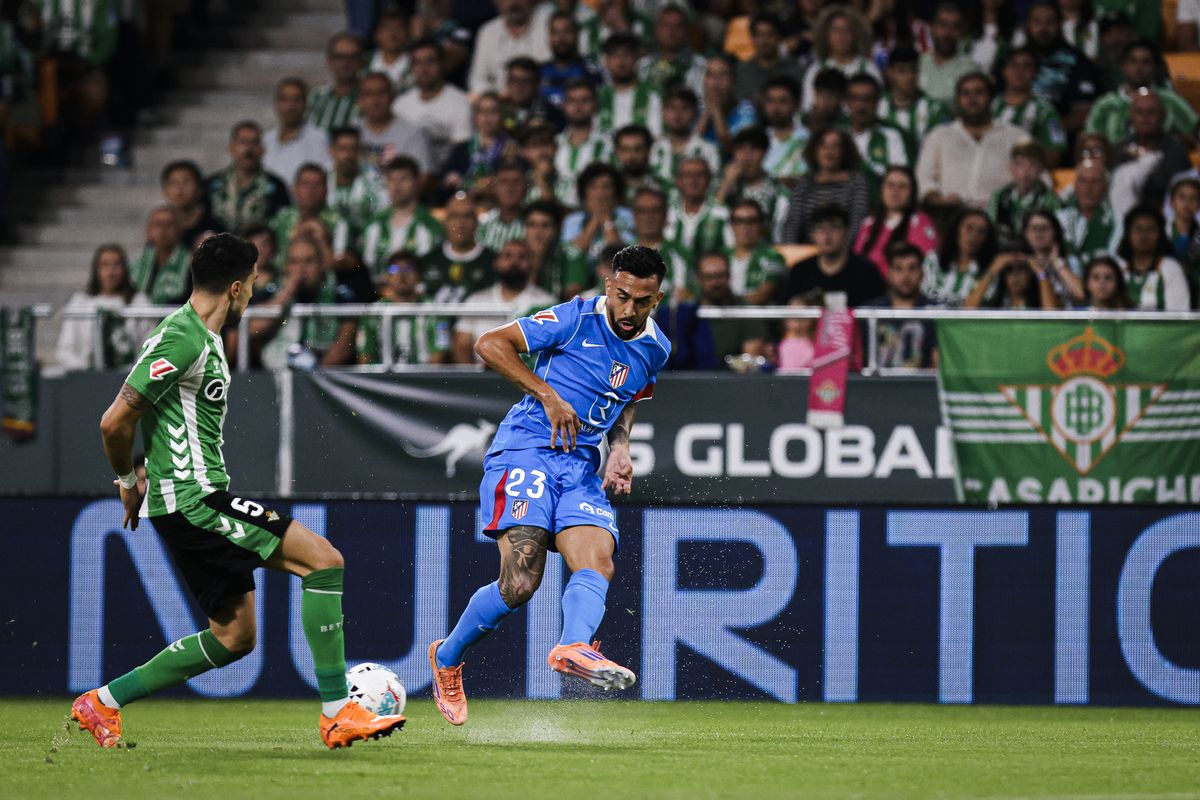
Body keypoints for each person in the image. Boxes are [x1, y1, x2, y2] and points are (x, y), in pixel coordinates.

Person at [72, 233, 404, 751]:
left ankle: (102, 703)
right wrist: (125, 480)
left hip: (185, 501)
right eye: (252, 282)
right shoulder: (182, 338)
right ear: (234, 287)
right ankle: (339, 712)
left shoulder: (194, 338)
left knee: (235, 638)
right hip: (195, 500)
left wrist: (140, 479)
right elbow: (114, 421)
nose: (254, 291)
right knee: (324, 561)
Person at [428, 245, 670, 726]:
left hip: (580, 464)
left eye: (641, 301)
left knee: (599, 560)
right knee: (520, 581)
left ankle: (574, 646)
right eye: (622, 296)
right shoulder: (574, 318)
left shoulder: (656, 348)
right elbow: (490, 343)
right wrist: (549, 395)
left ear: (656, 299)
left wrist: (620, 447)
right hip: (527, 448)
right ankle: (447, 657)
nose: (629, 310)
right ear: (609, 286)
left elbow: (628, 398)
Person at [916, 72, 1027, 214]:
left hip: (1001, 217)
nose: (972, 99)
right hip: (950, 216)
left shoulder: (1016, 137)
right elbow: (924, 180)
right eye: (965, 94)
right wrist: (939, 200)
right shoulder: (938, 136)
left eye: (979, 93)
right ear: (957, 100)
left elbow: (1040, 178)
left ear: (991, 98)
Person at [450, 239, 557, 363]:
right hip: (481, 377)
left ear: (531, 264)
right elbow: (461, 345)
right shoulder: (476, 300)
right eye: (508, 256)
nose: (514, 262)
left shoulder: (546, 303)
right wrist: (472, 378)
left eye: (521, 257)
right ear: (496, 263)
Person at [1085, 40, 1200, 148]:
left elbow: (1195, 131)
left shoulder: (1170, 100)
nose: (1139, 68)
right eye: (1133, 61)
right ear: (1123, 66)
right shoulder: (1104, 105)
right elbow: (1089, 141)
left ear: (1155, 67)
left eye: (1146, 62)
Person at [57, 245, 147, 371]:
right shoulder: (80, 302)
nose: (111, 271)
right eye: (105, 265)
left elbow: (149, 346)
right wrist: (87, 369)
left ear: (125, 269)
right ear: (96, 269)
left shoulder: (139, 301)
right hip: (86, 377)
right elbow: (65, 350)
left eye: (116, 265)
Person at [392, 39, 472, 174]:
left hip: (445, 176)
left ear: (442, 64)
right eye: (418, 62)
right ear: (411, 67)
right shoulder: (400, 104)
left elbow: (461, 150)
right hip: (406, 177)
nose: (424, 68)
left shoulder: (461, 102)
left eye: (430, 61)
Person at [358, 250, 451, 366]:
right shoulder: (373, 312)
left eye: (408, 269)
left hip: (422, 379)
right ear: (387, 277)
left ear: (419, 276)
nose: (401, 275)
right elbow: (365, 357)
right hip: (383, 380)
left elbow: (439, 354)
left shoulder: (434, 310)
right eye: (394, 269)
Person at [1109, 90, 1192, 219]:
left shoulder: (1176, 151)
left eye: (1151, 112)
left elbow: (1179, 193)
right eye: (1139, 112)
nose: (1145, 118)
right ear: (1131, 115)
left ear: (1163, 115)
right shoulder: (1120, 149)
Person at [1019, 1, 1101, 131]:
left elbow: (1082, 113)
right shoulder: (1013, 61)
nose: (1043, 28)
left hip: (1061, 138)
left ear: (1060, 25)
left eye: (1050, 22)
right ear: (1027, 25)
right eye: (1037, 22)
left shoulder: (1077, 62)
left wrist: (1048, 135)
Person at [785, 204, 886, 307]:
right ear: (812, 235)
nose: (827, 235)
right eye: (820, 228)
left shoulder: (866, 272)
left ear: (846, 231)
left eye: (834, 227)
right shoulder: (799, 272)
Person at [783, 128, 869, 244]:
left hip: (844, 253)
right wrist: (792, 253)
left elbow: (857, 222)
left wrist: (840, 253)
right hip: (807, 253)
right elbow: (793, 224)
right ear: (814, 150)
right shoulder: (804, 184)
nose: (829, 151)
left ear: (845, 151)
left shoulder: (856, 182)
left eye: (836, 146)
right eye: (823, 145)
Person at [362, 156, 445, 274]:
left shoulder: (431, 225)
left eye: (403, 179)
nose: (396, 185)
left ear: (417, 182)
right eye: (391, 179)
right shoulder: (373, 224)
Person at [205, 121, 291, 234]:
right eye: (243, 142)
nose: (248, 149)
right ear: (231, 148)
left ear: (262, 149)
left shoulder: (276, 187)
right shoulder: (212, 185)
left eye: (254, 143)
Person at [862, 242, 937, 369]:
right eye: (898, 268)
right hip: (876, 387)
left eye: (912, 268)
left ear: (922, 274)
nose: (905, 276)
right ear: (889, 274)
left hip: (921, 387)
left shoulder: (935, 313)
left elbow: (939, 365)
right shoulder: (869, 312)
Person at [853, 166, 939, 277]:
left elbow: (927, 269)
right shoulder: (869, 223)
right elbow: (856, 261)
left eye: (902, 186)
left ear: (912, 192)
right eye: (890, 185)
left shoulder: (921, 223)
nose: (895, 191)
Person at [991, 47, 1067, 167]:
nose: (1019, 72)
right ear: (1003, 71)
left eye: (1026, 66)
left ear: (1035, 73)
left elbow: (1055, 152)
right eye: (1013, 65)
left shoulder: (1048, 112)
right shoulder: (990, 107)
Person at [693, 251, 769, 366]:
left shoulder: (745, 312)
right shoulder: (687, 313)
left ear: (729, 276)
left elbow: (750, 361)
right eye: (709, 277)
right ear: (699, 279)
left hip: (733, 379)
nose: (715, 283)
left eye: (720, 276)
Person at [878, 44, 952, 162]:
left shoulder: (935, 109)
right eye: (901, 71)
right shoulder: (877, 106)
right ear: (889, 73)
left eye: (913, 70)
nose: (909, 77)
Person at [267, 164, 351, 268]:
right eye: (305, 184)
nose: (311, 190)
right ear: (294, 189)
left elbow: (340, 264)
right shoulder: (279, 221)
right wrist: (294, 238)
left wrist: (322, 240)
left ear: (326, 190)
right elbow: (269, 262)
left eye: (317, 184)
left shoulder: (339, 222)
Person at [715, 128, 790, 243]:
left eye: (754, 149)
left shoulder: (779, 191)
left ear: (765, 153)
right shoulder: (724, 185)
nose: (747, 156)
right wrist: (726, 184)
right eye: (741, 149)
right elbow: (710, 219)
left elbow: (779, 234)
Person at [801, 5, 881, 112]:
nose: (841, 36)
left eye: (846, 30)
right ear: (826, 35)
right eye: (835, 30)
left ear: (855, 35)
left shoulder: (869, 69)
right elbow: (808, 107)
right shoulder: (816, 70)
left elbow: (878, 107)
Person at [843, 74, 909, 202]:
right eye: (855, 98)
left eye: (867, 99)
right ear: (847, 102)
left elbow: (900, 179)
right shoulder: (836, 135)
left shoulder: (891, 136)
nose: (861, 105)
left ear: (877, 102)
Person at [423, 193, 496, 304]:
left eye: (467, 216)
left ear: (476, 221)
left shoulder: (493, 261)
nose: (461, 223)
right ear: (445, 221)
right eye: (454, 216)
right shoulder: (428, 261)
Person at [1117, 205, 1192, 311]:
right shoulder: (1117, 267)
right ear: (1128, 234)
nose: (1144, 235)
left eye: (1150, 229)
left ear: (1160, 235)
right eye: (1138, 229)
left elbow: (1179, 316)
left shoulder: (1171, 269)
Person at [357, 72, 433, 173]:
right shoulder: (352, 131)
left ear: (392, 97)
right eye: (368, 94)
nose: (375, 100)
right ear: (360, 100)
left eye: (381, 93)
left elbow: (423, 175)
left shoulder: (412, 133)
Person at [987, 141, 1060, 247]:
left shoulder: (1051, 200)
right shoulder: (998, 196)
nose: (1025, 171)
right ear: (1011, 168)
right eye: (1020, 164)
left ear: (1041, 169)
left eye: (1032, 164)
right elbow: (990, 228)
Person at [469, 0, 552, 93]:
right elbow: (477, 79)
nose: (513, 3)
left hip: (540, 98)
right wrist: (500, 96)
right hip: (501, 101)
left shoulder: (548, 24)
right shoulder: (488, 31)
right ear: (496, 3)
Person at [553, 79, 612, 208]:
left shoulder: (609, 143)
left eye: (584, 101)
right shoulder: (554, 144)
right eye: (572, 101)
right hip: (558, 216)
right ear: (564, 105)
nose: (578, 107)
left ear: (595, 105)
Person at [921, 208, 998, 306]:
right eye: (969, 228)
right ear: (956, 229)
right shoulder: (932, 260)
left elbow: (971, 310)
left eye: (981, 232)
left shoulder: (990, 272)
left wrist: (990, 273)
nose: (974, 235)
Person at [263, 78, 332, 185]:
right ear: (276, 104)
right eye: (284, 99)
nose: (290, 106)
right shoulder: (266, 139)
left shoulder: (319, 139)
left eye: (296, 100)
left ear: (306, 105)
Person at [326, 126, 387, 247]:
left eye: (353, 149)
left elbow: (384, 217)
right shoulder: (321, 180)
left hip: (364, 248)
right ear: (332, 151)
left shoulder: (375, 182)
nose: (349, 155)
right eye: (342, 149)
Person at [648, 86, 721, 188]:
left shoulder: (709, 150)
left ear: (694, 114)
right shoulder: (652, 149)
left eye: (684, 108)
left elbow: (713, 186)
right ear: (663, 112)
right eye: (672, 108)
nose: (677, 114)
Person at [441, 92, 513, 195]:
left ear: (501, 115)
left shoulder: (510, 148)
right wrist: (451, 180)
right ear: (475, 116)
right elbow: (447, 180)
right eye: (482, 111)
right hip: (464, 201)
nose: (487, 117)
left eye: (493, 111)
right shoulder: (462, 149)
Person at [562, 162, 634, 263]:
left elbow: (621, 254)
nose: (600, 193)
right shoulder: (573, 220)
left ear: (616, 191)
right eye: (593, 187)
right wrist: (595, 220)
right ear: (584, 192)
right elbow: (572, 254)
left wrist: (607, 219)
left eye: (606, 186)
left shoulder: (628, 216)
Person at [627, 186, 691, 298]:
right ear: (634, 215)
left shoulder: (681, 254)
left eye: (655, 211)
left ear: (665, 215)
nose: (648, 217)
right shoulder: (620, 254)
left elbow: (687, 294)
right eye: (642, 211)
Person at [667, 156, 733, 260]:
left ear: (709, 180)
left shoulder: (722, 213)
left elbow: (731, 250)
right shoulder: (667, 214)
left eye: (699, 175)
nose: (693, 181)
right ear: (678, 181)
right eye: (688, 175)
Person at [1056, 159, 1122, 263]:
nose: (1088, 187)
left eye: (1095, 182)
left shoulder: (1117, 222)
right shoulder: (1059, 219)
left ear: (1105, 187)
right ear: (1075, 186)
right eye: (1083, 181)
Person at [597, 33, 663, 137]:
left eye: (626, 54)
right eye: (615, 55)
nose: (621, 61)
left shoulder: (656, 95)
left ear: (637, 58)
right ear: (606, 61)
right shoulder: (597, 97)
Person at [724, 199, 787, 304]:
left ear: (761, 225)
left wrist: (725, 303)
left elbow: (762, 296)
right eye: (739, 221)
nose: (745, 227)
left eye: (752, 221)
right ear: (732, 225)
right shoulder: (720, 256)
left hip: (758, 318)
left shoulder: (773, 257)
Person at [525, 200, 589, 300]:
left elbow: (572, 298)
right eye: (532, 225)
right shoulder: (517, 253)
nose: (538, 233)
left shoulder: (571, 254)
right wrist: (536, 264)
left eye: (545, 226)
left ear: (557, 229)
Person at [638, 5, 706, 97]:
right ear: (657, 30)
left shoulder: (701, 65)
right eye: (666, 25)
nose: (671, 31)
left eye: (678, 26)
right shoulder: (642, 65)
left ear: (686, 31)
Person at [735, 12, 803, 102]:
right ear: (752, 38)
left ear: (779, 38)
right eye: (759, 35)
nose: (763, 41)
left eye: (769, 35)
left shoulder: (794, 69)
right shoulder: (742, 71)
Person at [1021, 209, 1084, 306]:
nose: (1039, 233)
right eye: (1034, 228)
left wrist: (1057, 262)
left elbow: (1082, 294)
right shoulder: (1019, 262)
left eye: (1045, 228)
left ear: (1055, 232)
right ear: (1025, 233)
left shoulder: (1071, 262)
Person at [542, 10, 603, 110]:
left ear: (577, 35)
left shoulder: (592, 71)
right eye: (555, 32)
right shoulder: (539, 73)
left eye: (567, 31)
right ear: (549, 37)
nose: (561, 38)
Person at [919, 3, 978, 105]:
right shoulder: (918, 63)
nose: (948, 32)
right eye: (943, 25)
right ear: (931, 28)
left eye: (955, 26)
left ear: (961, 31)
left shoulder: (970, 70)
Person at [963, 248, 1060, 309]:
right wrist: (992, 271)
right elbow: (967, 311)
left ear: (1031, 273)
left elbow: (1051, 316)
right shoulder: (995, 304)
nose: (1015, 276)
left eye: (1021, 269)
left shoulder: (1039, 302)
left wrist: (1040, 272)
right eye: (1009, 270)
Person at [131, 207, 191, 305]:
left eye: (169, 225)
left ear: (179, 231)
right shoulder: (137, 263)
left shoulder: (190, 262)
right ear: (148, 231)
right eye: (157, 225)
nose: (162, 231)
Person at [697, 55, 757, 151]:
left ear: (733, 80)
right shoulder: (695, 108)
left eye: (722, 75)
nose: (716, 82)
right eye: (710, 75)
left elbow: (736, 150)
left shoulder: (746, 109)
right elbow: (688, 149)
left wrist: (716, 111)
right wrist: (706, 115)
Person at [308, 33, 364, 131]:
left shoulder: (370, 99)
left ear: (362, 61)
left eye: (352, 57)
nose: (345, 63)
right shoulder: (315, 97)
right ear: (329, 61)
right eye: (339, 57)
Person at [161, 160, 221, 249]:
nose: (180, 188)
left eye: (186, 182)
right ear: (165, 191)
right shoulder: (160, 225)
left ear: (199, 189)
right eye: (174, 182)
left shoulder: (214, 226)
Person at [761, 76, 810, 183]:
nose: (775, 107)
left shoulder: (809, 140)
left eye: (782, 101)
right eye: (770, 101)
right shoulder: (757, 141)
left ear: (797, 104)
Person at [501, 56, 566, 132]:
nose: (518, 87)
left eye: (525, 81)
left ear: (537, 84)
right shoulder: (497, 111)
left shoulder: (552, 115)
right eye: (514, 80)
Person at [476, 159, 528, 252]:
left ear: (526, 187)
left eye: (516, 182)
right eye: (504, 181)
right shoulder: (481, 227)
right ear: (494, 188)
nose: (510, 188)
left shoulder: (534, 225)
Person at [612, 124, 668, 203]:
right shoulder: (610, 186)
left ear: (648, 150)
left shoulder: (662, 186)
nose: (631, 156)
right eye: (625, 150)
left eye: (638, 149)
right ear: (616, 151)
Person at [367, 8, 412, 92]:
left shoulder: (416, 62)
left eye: (398, 28)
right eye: (387, 28)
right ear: (376, 34)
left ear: (408, 33)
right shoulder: (364, 62)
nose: (392, 33)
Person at [776, 294, 819, 370]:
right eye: (795, 318)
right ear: (787, 321)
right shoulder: (789, 345)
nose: (799, 322)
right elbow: (791, 376)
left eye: (803, 318)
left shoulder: (814, 340)